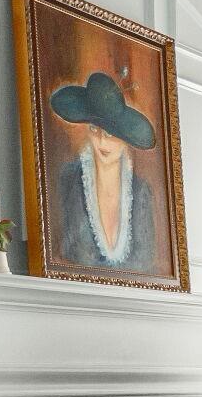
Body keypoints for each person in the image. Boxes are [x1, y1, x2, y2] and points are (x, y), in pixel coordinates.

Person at [48, 70, 158, 271]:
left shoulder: (141, 191)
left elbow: (147, 262)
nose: (101, 141)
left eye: (110, 133)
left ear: (126, 139)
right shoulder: (66, 180)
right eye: (94, 130)